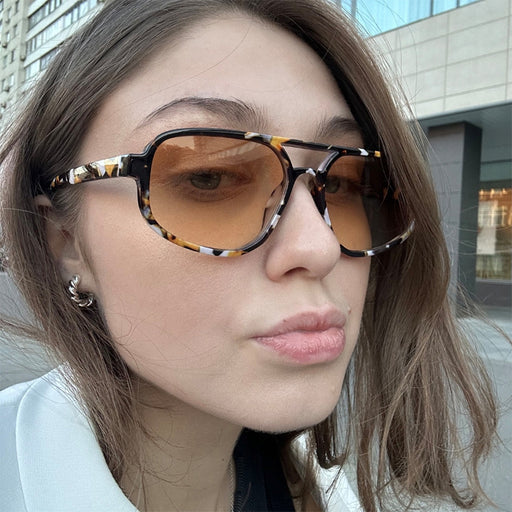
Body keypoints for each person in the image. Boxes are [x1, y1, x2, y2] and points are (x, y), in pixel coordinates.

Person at [0, 0, 499, 510]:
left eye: (344, 183)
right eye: (210, 176)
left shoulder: (318, 489)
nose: (320, 247)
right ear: (66, 241)